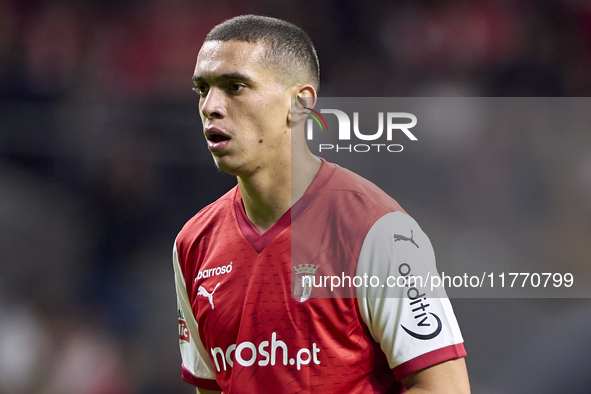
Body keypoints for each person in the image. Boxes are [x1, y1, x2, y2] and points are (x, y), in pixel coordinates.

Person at [173, 15, 470, 394]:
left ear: (300, 104)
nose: (211, 106)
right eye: (203, 89)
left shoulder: (378, 230)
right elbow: (212, 387)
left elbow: (444, 388)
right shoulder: (194, 244)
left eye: (235, 86)